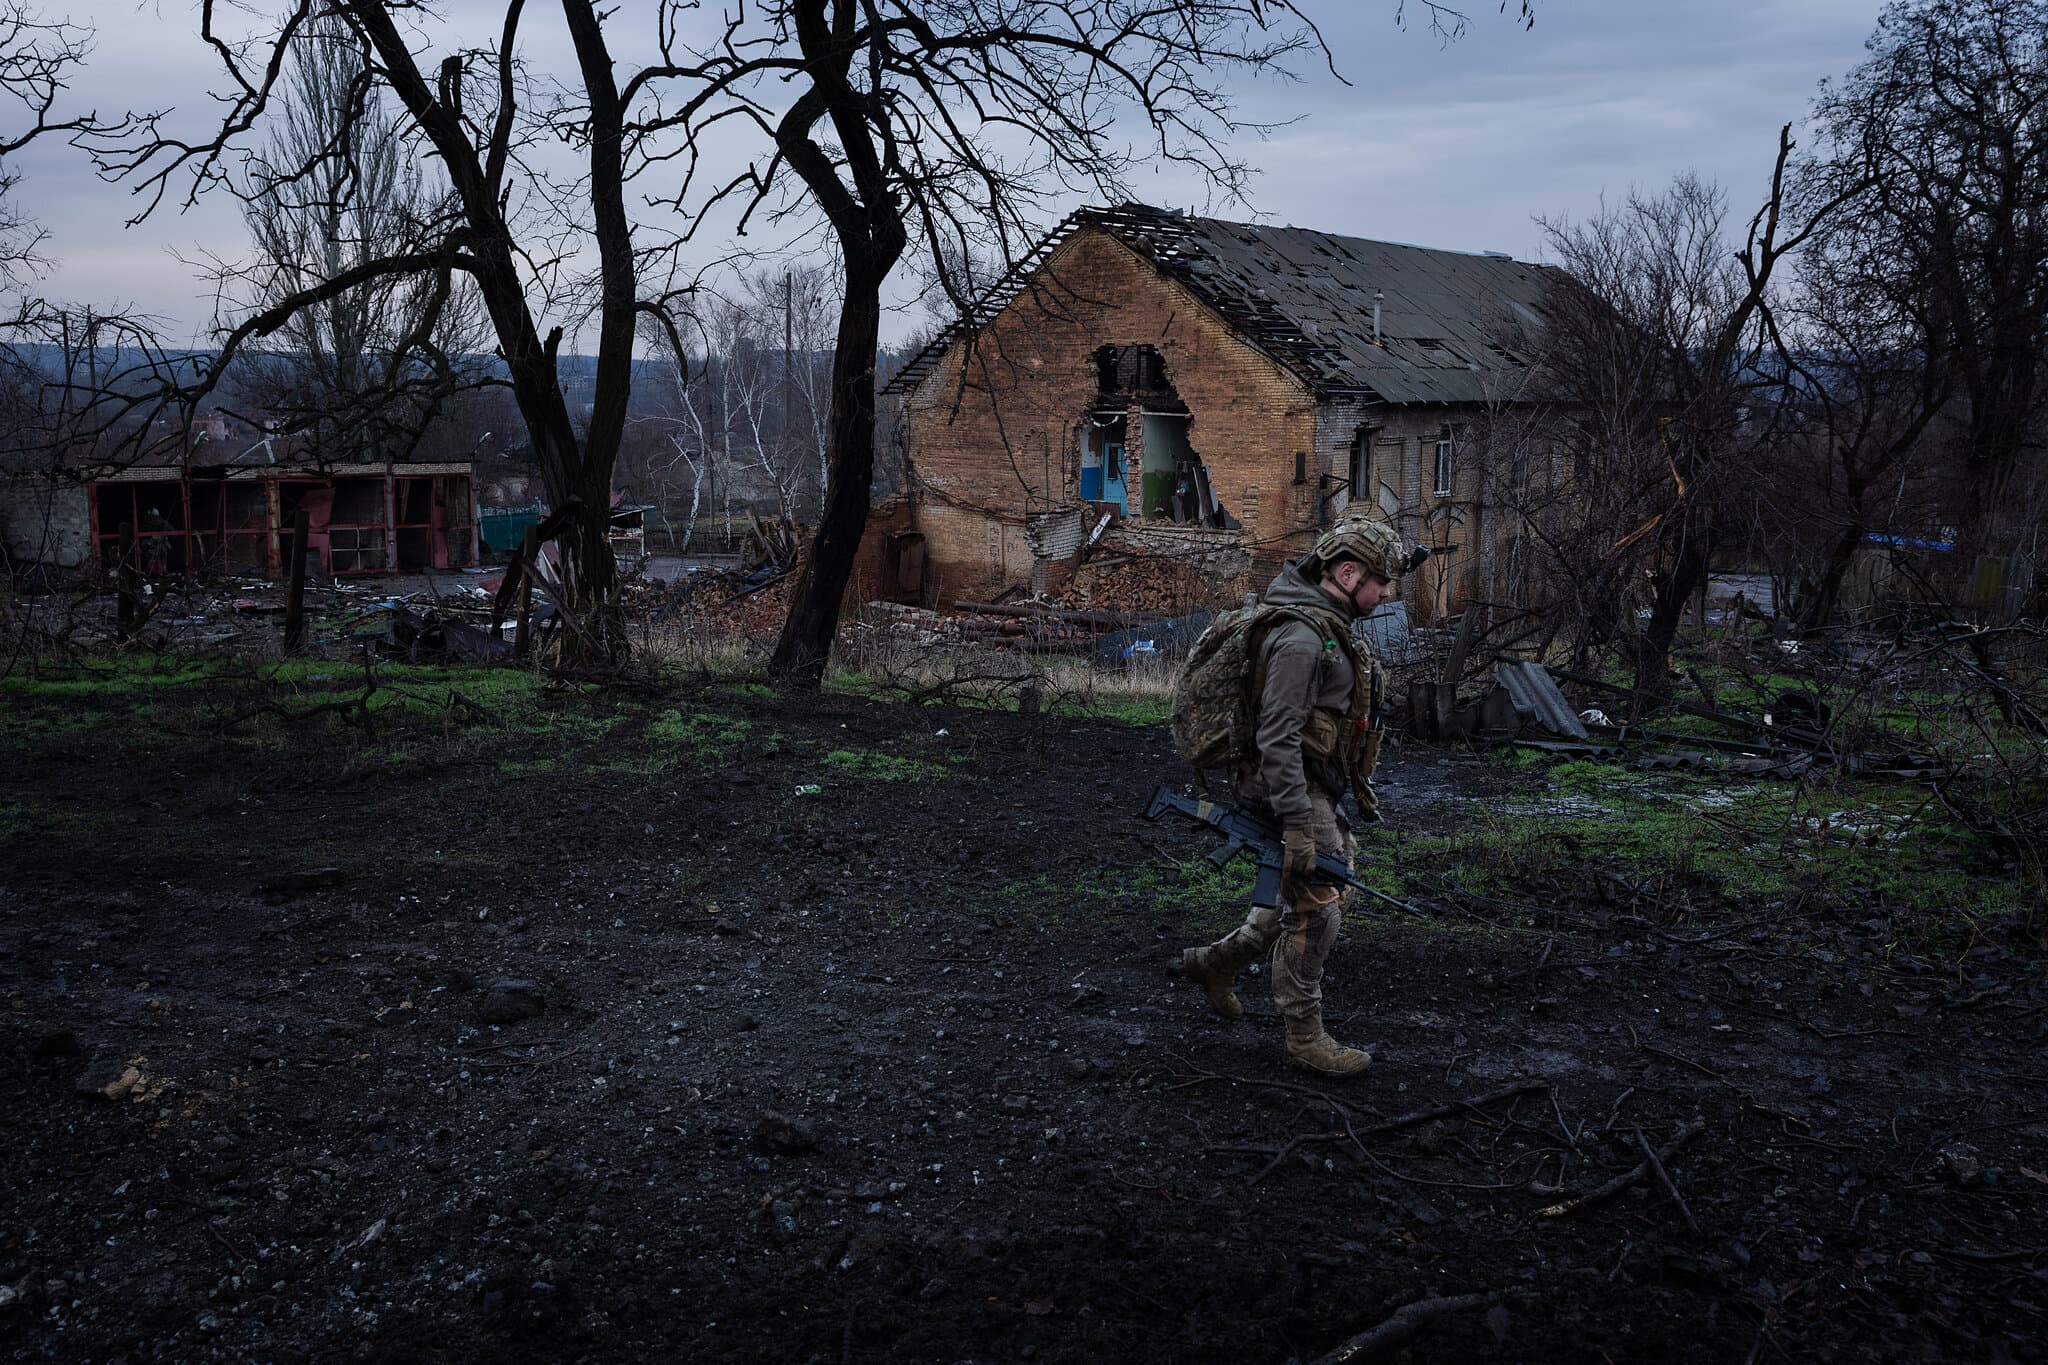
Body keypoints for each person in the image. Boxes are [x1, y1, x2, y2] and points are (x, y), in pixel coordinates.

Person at [1178, 513, 1413, 1077]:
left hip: (1313, 786)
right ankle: (1304, 1036)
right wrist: (1298, 824)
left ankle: (1215, 964)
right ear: (1348, 573)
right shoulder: (1302, 639)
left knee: (1312, 893)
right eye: (1382, 582)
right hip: (1291, 788)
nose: (1387, 594)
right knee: (1317, 909)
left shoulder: (1326, 626)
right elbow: (1277, 736)